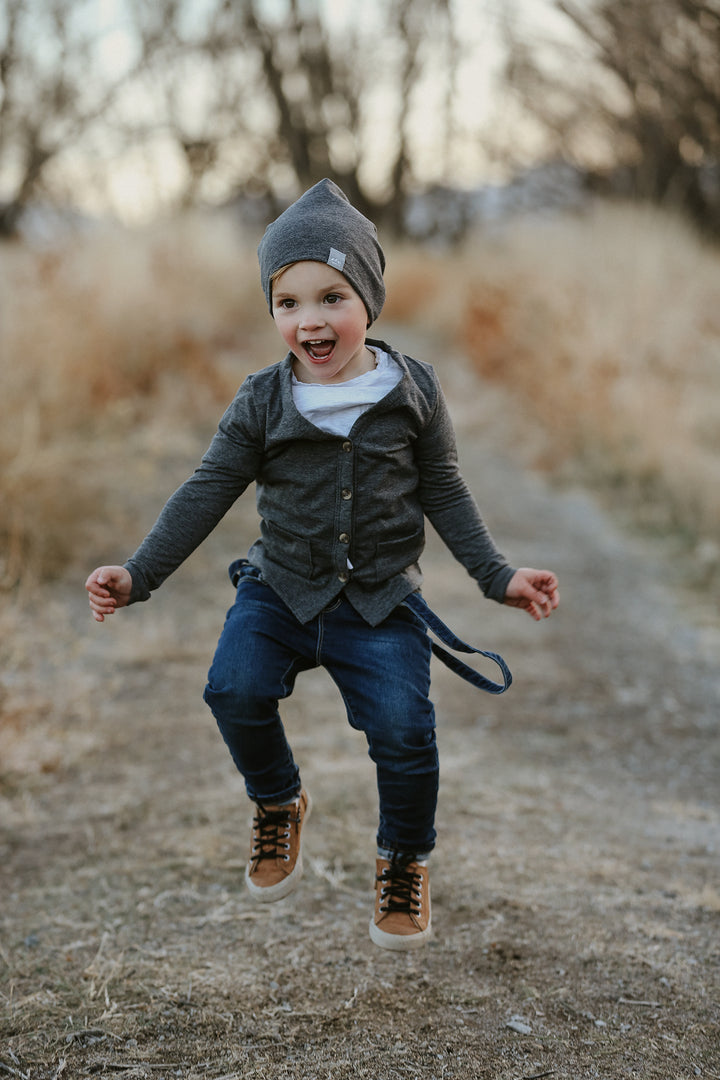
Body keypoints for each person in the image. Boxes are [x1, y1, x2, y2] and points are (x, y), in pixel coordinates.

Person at [86, 179, 559, 952]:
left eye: (331, 297)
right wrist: (138, 575)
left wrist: (497, 576)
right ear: (273, 313)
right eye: (288, 303)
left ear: (369, 299)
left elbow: (443, 488)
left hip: (380, 603)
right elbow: (206, 490)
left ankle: (403, 859)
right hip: (279, 590)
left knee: (406, 731)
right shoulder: (260, 401)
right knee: (232, 688)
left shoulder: (412, 391)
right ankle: (278, 803)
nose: (310, 320)